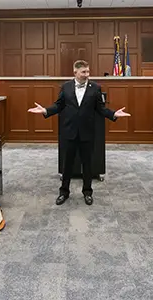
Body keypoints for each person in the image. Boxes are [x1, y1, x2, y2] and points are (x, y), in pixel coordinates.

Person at [28, 60, 130, 206]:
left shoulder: (95, 88)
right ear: (75, 72)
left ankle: (87, 192)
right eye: (83, 72)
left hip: (87, 133)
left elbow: (100, 109)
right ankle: (64, 192)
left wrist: (113, 114)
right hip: (69, 132)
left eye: (88, 71)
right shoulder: (66, 87)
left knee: (87, 164)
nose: (87, 74)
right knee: (67, 165)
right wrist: (45, 111)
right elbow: (59, 105)